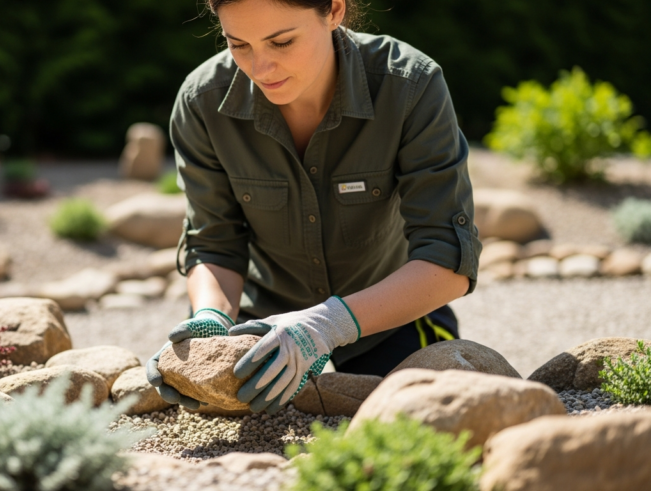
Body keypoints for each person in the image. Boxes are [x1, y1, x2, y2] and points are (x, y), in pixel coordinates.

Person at [146, 0, 482, 415]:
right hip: (257, 330)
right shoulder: (201, 102)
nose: (261, 68)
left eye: (282, 42)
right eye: (239, 44)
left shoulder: (411, 86)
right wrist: (212, 320)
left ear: (335, 11)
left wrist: (326, 325)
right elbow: (214, 245)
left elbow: (447, 261)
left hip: (390, 320)